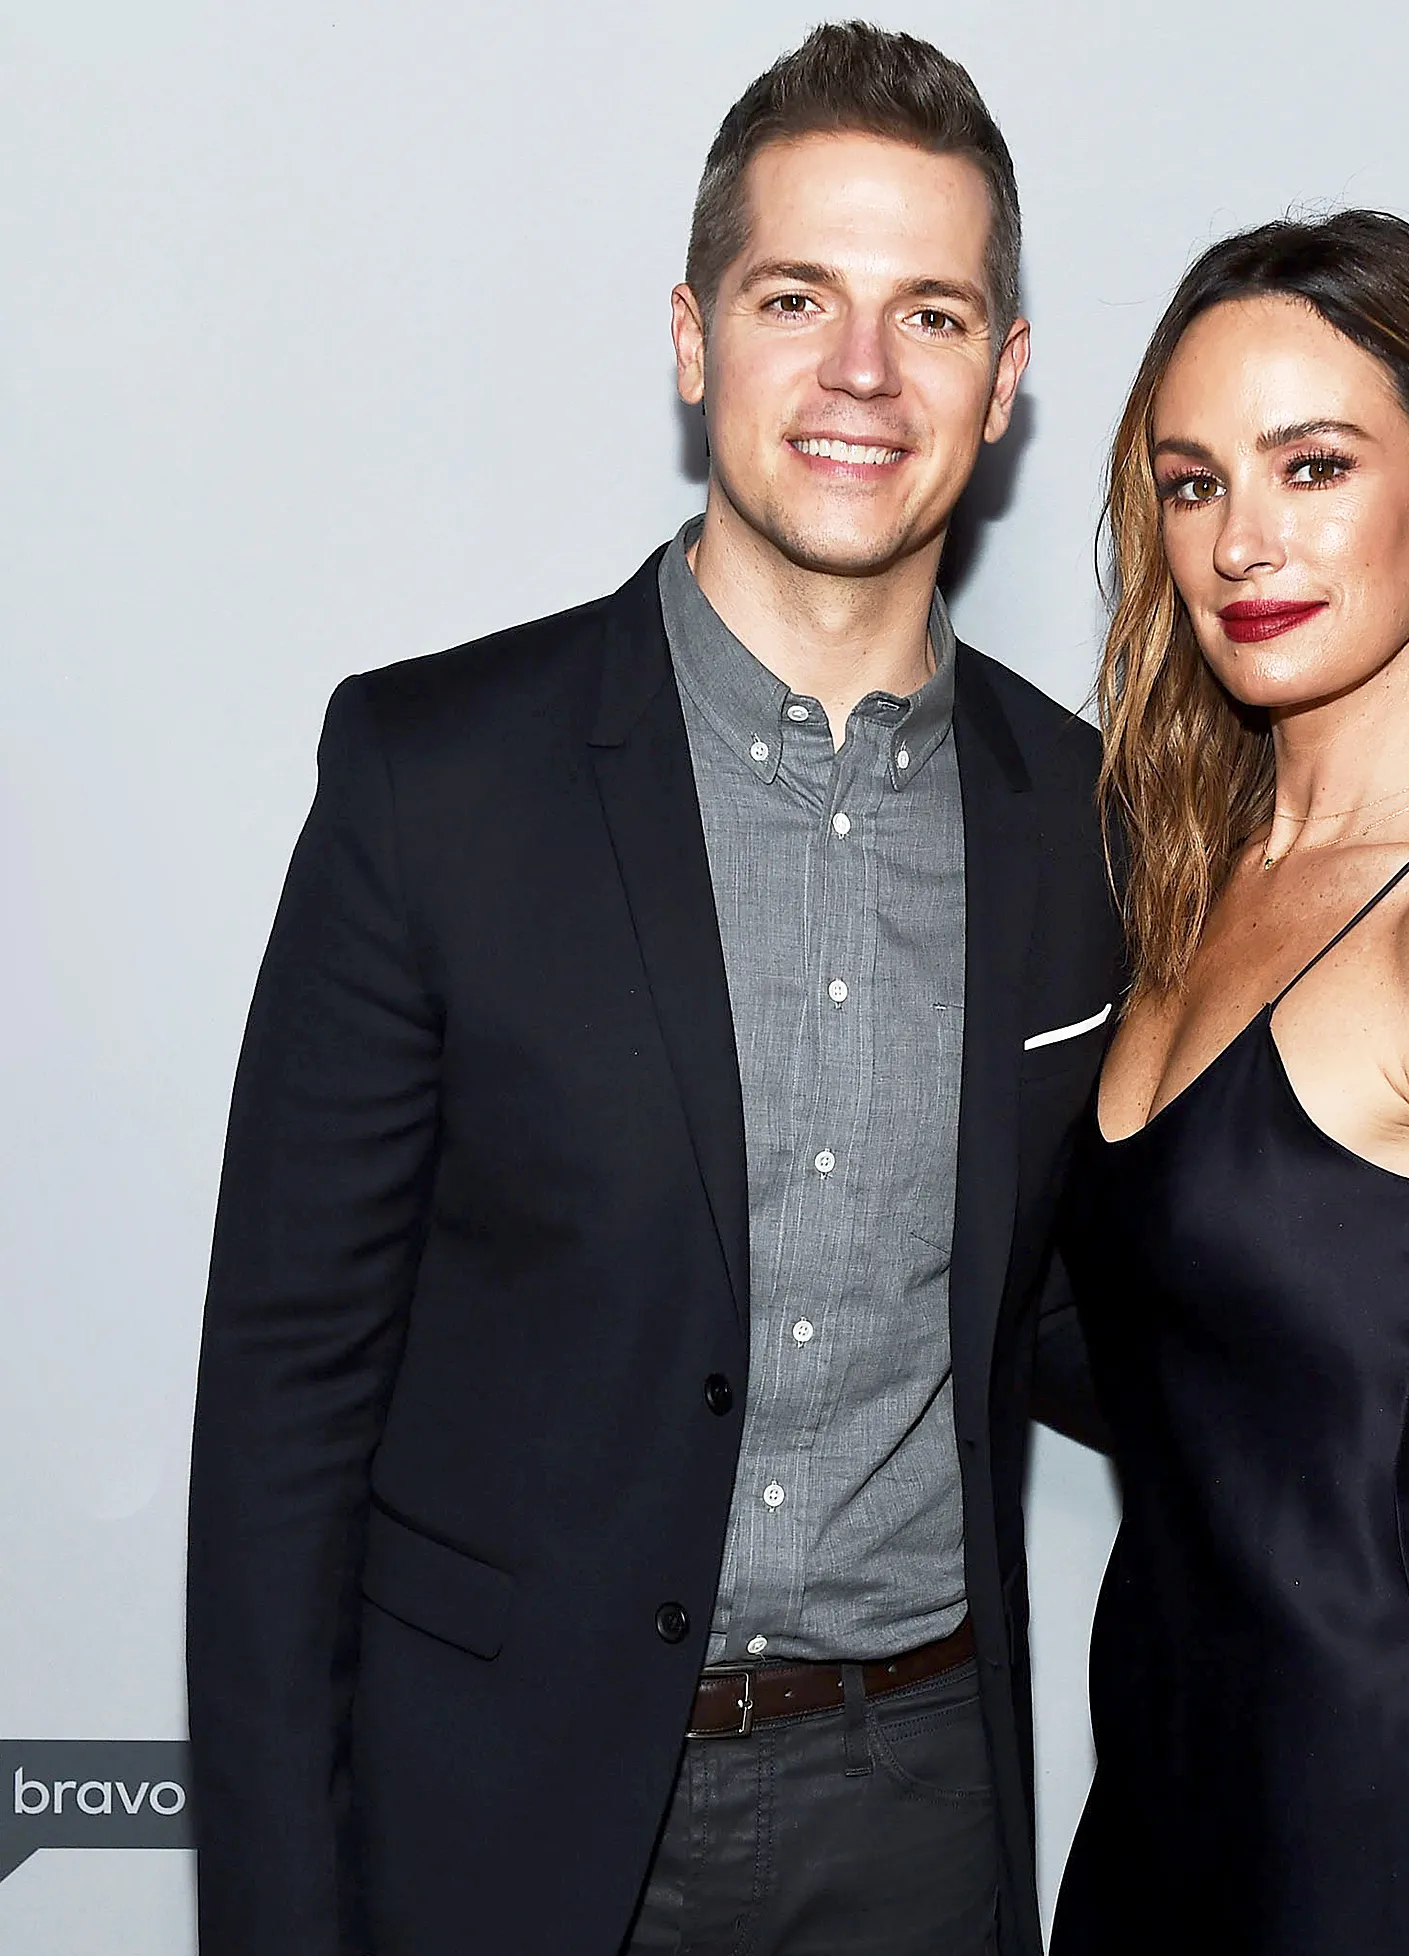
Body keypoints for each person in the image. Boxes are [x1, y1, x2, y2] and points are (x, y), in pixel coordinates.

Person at [185, 24, 1122, 1956]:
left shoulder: (1087, 826)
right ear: (693, 339)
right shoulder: (434, 781)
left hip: (921, 1811)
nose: (862, 371)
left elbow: (1107, 1303)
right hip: (507, 1811)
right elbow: (284, 1420)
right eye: (797, 298)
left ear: (1005, 378)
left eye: (932, 315)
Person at [1051, 211, 1409, 1955]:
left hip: (1358, 1843)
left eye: (1314, 466)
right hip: (1145, 1825)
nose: (1243, 541)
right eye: (1193, 483)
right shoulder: (1184, 883)